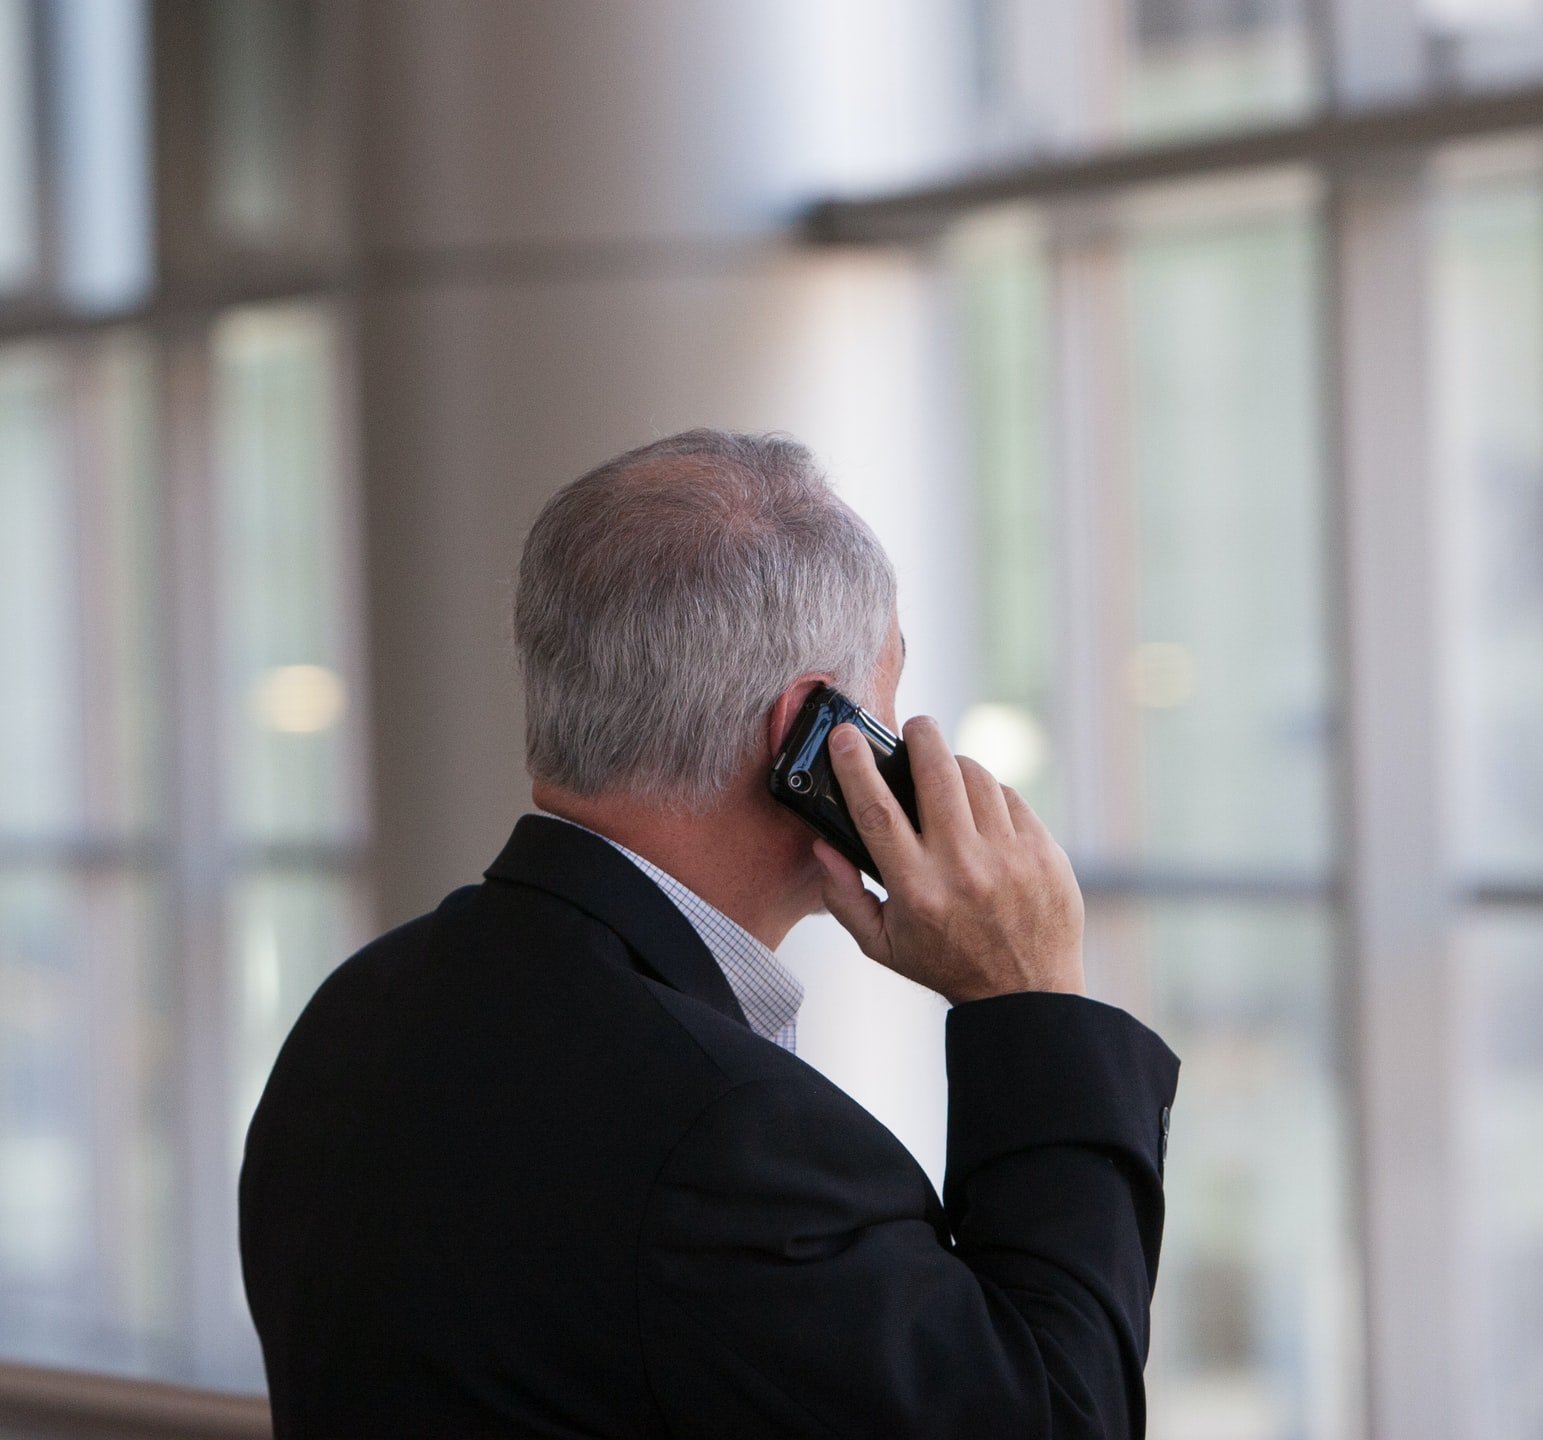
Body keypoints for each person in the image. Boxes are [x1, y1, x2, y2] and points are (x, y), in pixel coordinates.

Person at [239, 429, 1180, 1438]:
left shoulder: (358, 1008)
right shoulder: (730, 1143)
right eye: (890, 691)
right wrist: (1028, 1004)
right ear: (811, 740)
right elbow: (1058, 1415)